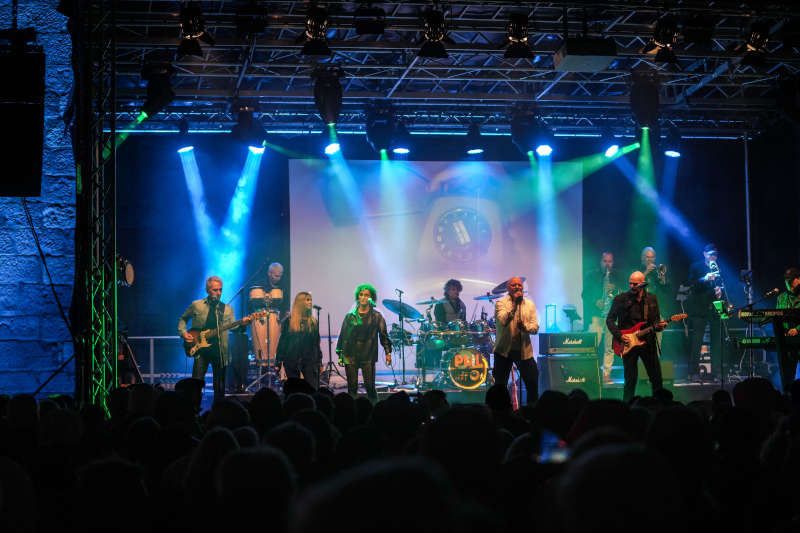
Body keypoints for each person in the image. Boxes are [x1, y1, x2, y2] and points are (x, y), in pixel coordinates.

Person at [178, 276, 251, 401]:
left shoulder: (227, 309)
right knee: (196, 384)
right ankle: (194, 409)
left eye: (220, 290)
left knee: (220, 387)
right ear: (207, 290)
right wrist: (183, 333)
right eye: (215, 290)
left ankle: (219, 412)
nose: (218, 293)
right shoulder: (197, 305)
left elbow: (234, 329)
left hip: (220, 352)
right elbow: (183, 319)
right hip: (200, 350)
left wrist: (243, 325)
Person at [606, 271, 667, 403]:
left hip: (648, 342)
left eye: (635, 284)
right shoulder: (621, 299)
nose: (632, 286)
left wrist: (660, 326)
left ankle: (660, 406)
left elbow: (656, 321)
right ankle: (627, 407)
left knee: (656, 378)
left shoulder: (651, 299)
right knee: (630, 380)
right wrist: (620, 335)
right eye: (630, 283)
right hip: (628, 343)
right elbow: (610, 320)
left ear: (643, 284)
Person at [336, 284, 392, 402]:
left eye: (366, 295)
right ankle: (352, 413)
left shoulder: (377, 316)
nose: (363, 297)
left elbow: (383, 335)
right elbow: (343, 336)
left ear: (371, 297)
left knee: (370, 387)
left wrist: (388, 352)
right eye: (361, 295)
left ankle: (373, 411)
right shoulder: (350, 316)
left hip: (368, 354)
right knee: (352, 388)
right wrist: (340, 354)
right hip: (350, 355)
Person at [493, 276, 540, 404]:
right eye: (514, 285)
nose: (517, 287)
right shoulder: (501, 303)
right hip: (504, 350)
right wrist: (514, 304)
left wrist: (525, 327)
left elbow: (535, 327)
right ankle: (500, 414)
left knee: (533, 383)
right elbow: (503, 320)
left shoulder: (529, 304)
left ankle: (531, 413)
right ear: (508, 288)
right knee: (500, 387)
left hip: (524, 351)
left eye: (519, 285)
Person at [582, 251, 622, 384]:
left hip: (611, 316)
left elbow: (624, 294)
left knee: (609, 347)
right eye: (605, 261)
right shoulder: (591, 275)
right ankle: (590, 373)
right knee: (592, 346)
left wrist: (615, 290)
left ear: (613, 263)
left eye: (610, 261)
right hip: (596, 316)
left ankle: (606, 375)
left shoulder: (617, 276)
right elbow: (584, 294)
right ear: (601, 262)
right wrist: (595, 300)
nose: (607, 264)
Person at [686, 244, 724, 381]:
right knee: (697, 341)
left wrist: (720, 291)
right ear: (704, 254)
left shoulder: (719, 268)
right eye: (711, 254)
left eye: (715, 254)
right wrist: (704, 278)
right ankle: (693, 372)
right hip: (699, 308)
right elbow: (690, 284)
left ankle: (717, 372)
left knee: (716, 341)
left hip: (714, 308)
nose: (713, 256)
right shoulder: (696, 266)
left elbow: (723, 285)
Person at [275, 292, 323, 390]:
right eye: (307, 300)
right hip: (292, 360)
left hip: (310, 360)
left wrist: (320, 362)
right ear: (300, 303)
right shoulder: (289, 321)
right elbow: (283, 342)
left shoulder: (313, 322)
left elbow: (316, 344)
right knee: (294, 389)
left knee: (312, 388)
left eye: (310, 300)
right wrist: (279, 361)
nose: (310, 302)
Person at [250, 262, 288, 367]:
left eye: (280, 275)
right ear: (269, 273)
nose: (279, 278)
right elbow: (251, 303)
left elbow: (284, 307)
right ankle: (261, 366)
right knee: (262, 350)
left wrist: (285, 316)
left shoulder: (282, 286)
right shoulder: (259, 285)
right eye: (276, 275)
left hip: (275, 319)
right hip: (260, 317)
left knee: (273, 349)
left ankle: (273, 367)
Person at [776, 267, 800, 392]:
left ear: (799, 279)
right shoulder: (781, 297)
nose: (789, 284)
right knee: (787, 372)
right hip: (786, 340)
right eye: (787, 281)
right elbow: (777, 317)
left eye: (792, 280)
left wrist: (797, 330)